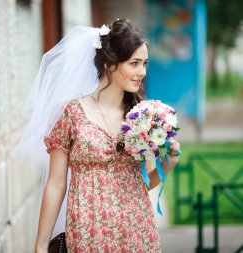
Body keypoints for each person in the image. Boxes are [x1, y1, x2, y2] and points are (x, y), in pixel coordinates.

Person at [20, 18, 180, 253]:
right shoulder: (72, 114)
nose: (142, 72)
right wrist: (41, 246)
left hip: (136, 229)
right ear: (110, 63)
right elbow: (55, 184)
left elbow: (142, 183)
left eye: (144, 63)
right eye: (134, 63)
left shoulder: (141, 117)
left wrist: (168, 163)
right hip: (89, 231)